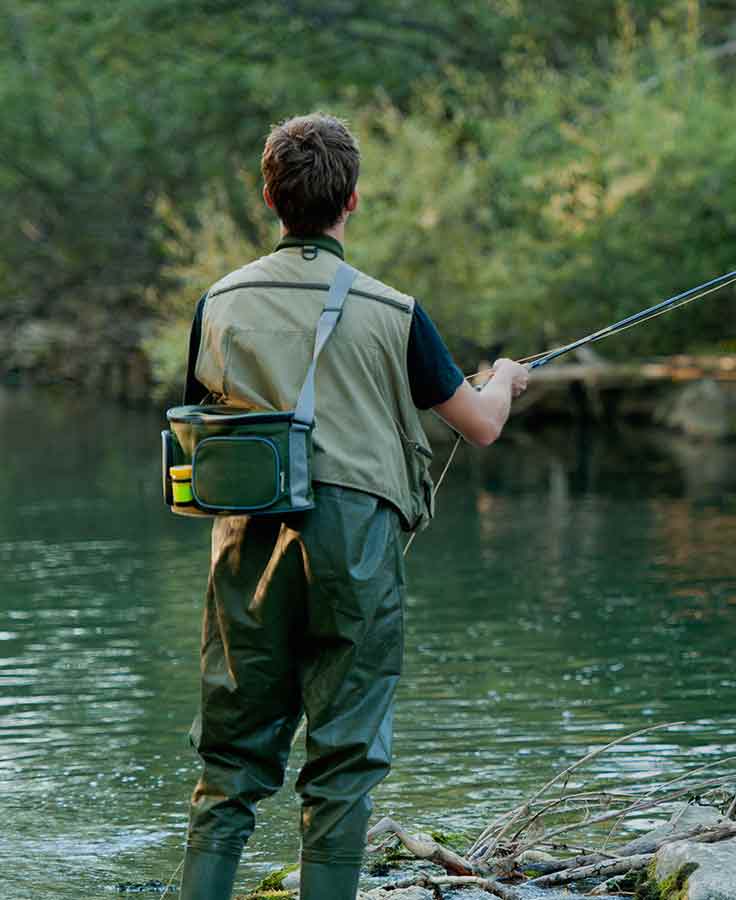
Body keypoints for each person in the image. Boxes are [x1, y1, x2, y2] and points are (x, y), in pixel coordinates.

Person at [176, 112, 528, 900]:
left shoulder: (219, 302)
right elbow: (480, 427)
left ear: (269, 197)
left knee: (229, 760)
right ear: (354, 201)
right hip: (357, 540)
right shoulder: (392, 310)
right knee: (344, 755)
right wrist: (504, 376)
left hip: (246, 539)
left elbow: (197, 428)